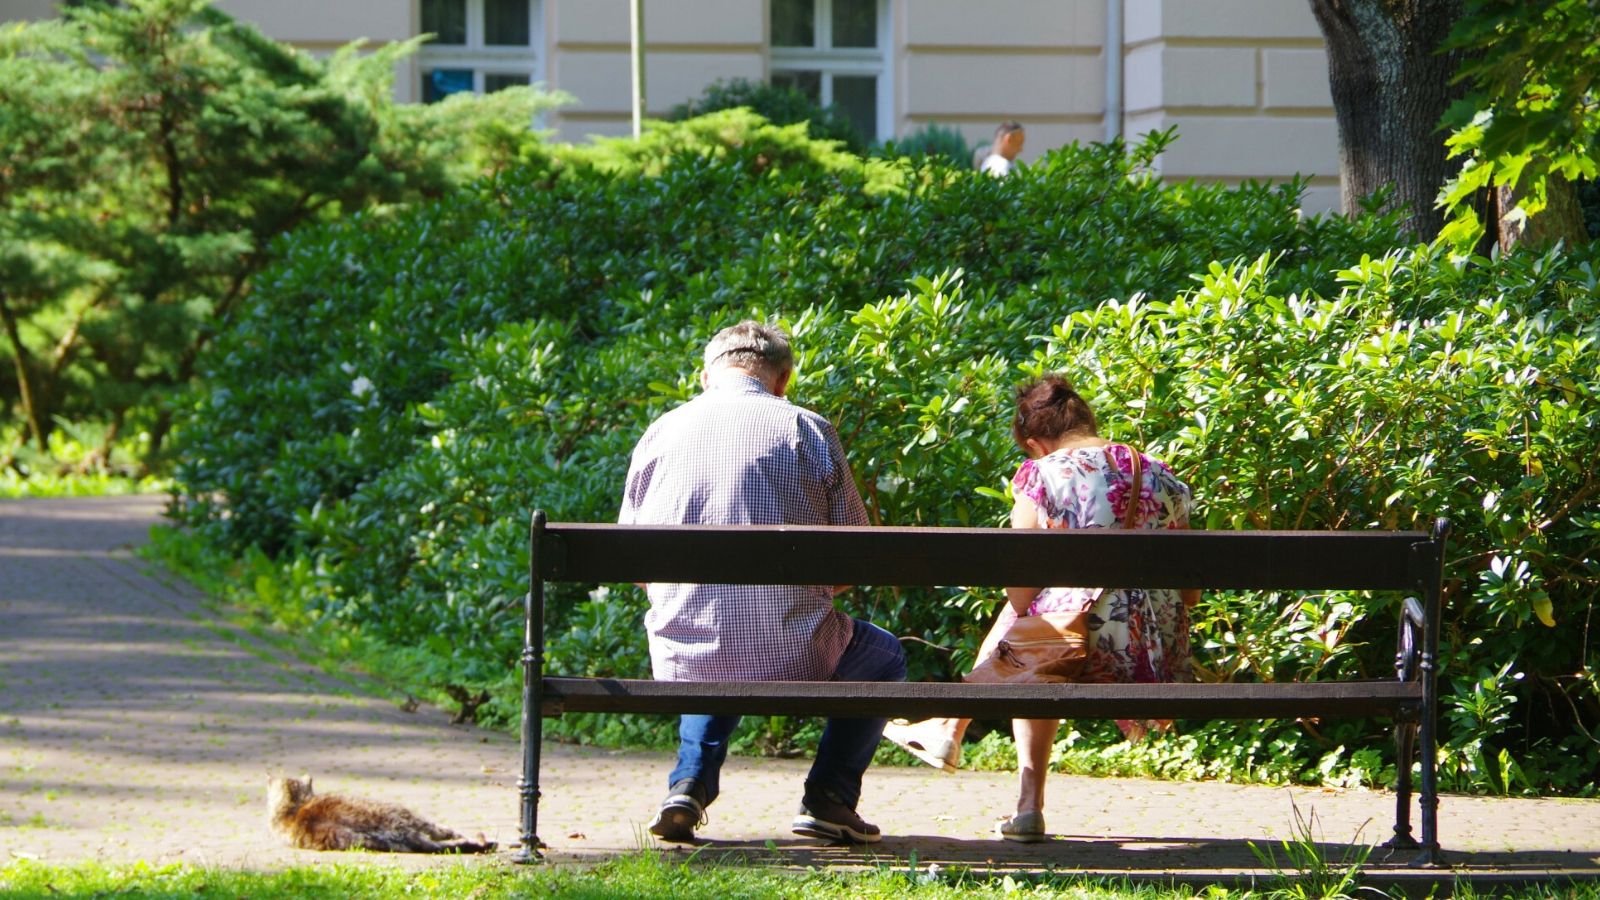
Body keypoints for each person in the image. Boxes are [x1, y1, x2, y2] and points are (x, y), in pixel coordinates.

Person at [619, 320, 907, 846]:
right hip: (797, 651)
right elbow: (856, 557)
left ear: (705, 377)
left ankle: (688, 784)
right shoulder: (808, 429)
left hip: (687, 652)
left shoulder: (661, 431)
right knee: (885, 656)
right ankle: (829, 800)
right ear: (782, 380)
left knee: (714, 631)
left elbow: (636, 562)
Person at [882, 373, 1196, 842]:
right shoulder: (1160, 474)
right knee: (1039, 626)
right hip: (1151, 652)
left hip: (1071, 650)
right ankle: (952, 727)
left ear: (1036, 443)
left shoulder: (1044, 473)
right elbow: (1189, 593)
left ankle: (976, 750)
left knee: (1031, 625)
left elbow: (1020, 586)